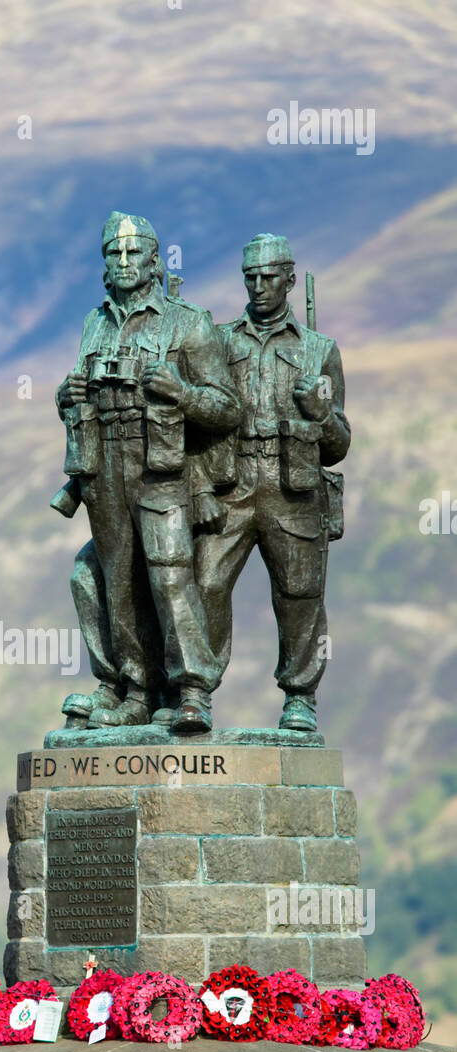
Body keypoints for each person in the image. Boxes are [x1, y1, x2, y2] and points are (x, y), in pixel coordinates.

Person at [56, 211, 240, 733]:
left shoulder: (188, 322)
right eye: (113, 253)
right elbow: (79, 387)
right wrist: (62, 396)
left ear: (155, 261)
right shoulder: (95, 322)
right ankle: (134, 689)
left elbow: (227, 408)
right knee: (115, 580)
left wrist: (182, 394)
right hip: (104, 467)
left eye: (133, 252)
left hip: (160, 468)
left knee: (169, 573)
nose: (123, 261)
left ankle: (191, 690)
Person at [194, 233, 351, 732]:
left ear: (289, 278)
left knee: (299, 594)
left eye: (268, 277)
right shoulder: (219, 340)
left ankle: (300, 696)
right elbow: (197, 422)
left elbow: (340, 443)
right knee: (206, 583)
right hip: (232, 482)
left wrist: (322, 415)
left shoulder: (319, 350)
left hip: (293, 488)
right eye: (250, 277)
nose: (258, 286)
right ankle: (196, 689)